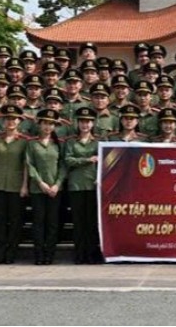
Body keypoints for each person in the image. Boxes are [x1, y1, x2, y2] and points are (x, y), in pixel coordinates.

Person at [0, 105, 29, 264]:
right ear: (3, 121)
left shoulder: (24, 140)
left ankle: (11, 253)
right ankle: (0, 253)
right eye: (7, 119)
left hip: (16, 185)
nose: (10, 122)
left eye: (13, 119)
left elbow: (26, 164)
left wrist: (24, 185)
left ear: (19, 121)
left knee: (15, 221)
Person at [27, 109, 66, 265]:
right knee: (38, 222)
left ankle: (49, 255)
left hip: (55, 190)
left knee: (52, 223)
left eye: (51, 124)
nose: (48, 127)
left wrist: (57, 184)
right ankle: (38, 255)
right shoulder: (32, 143)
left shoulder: (59, 144)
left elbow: (63, 165)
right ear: (39, 124)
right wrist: (40, 182)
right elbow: (29, 164)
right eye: (45, 123)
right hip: (38, 188)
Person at [65, 106, 103, 264]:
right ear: (77, 123)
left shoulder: (99, 142)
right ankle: (79, 254)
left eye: (88, 122)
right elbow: (68, 160)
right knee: (78, 222)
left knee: (92, 223)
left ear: (93, 124)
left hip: (93, 185)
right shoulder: (71, 142)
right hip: (76, 185)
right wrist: (87, 160)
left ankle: (92, 254)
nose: (85, 125)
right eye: (82, 121)